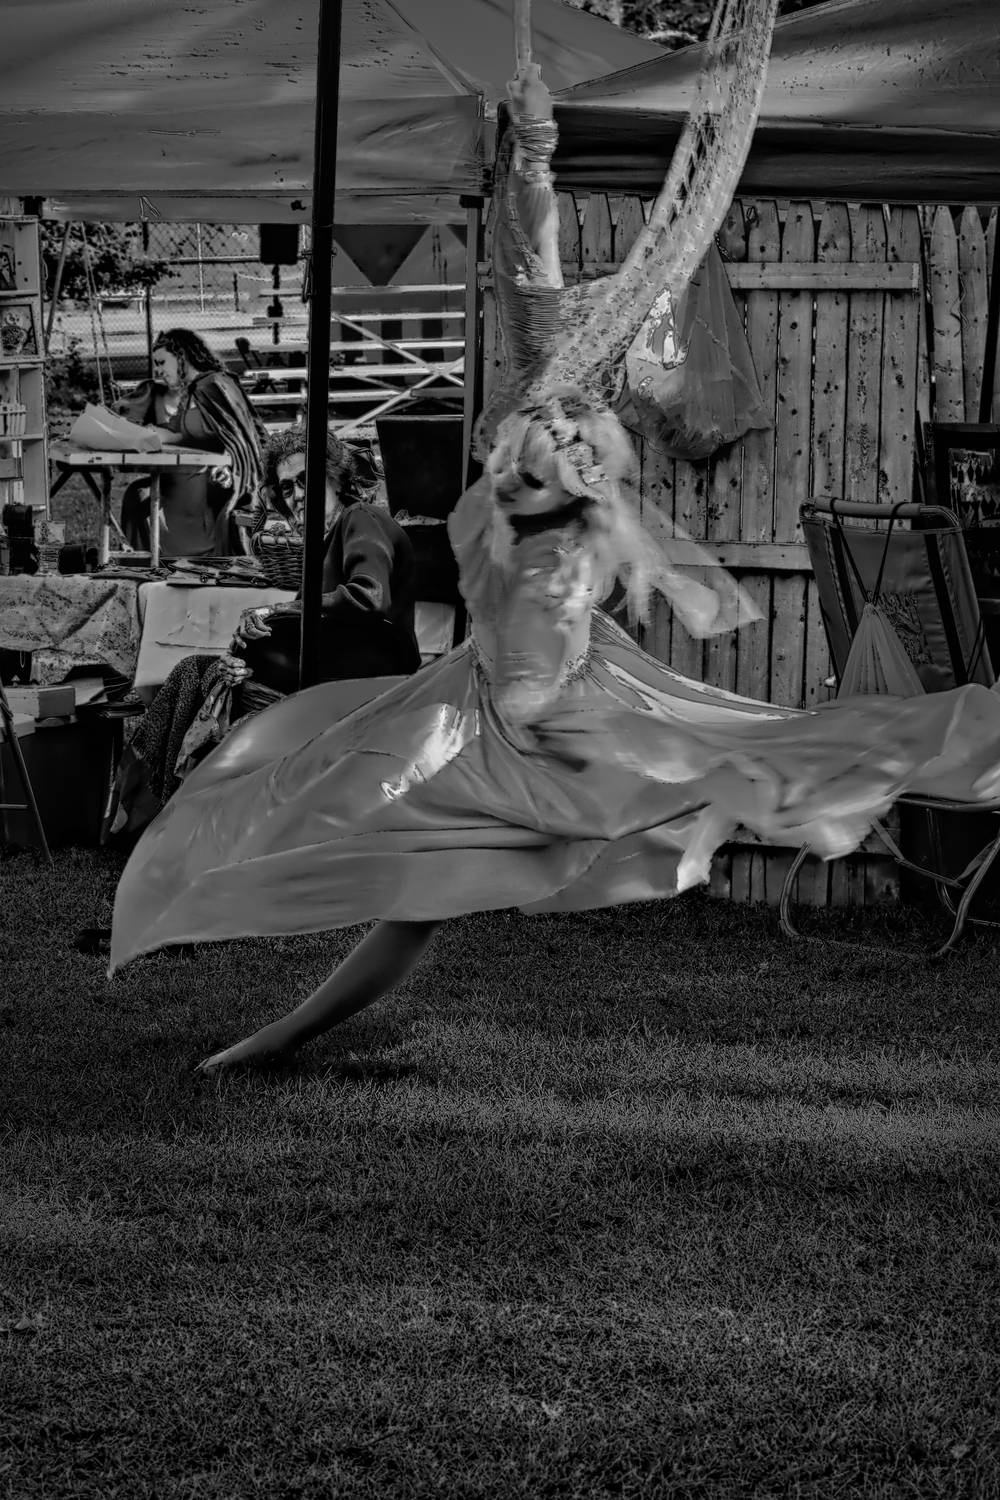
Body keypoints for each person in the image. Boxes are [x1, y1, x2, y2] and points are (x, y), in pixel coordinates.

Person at [109, 66, 1000, 1073]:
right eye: (513, 463)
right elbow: (527, 273)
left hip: (532, 737)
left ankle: (264, 1019)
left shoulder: (564, 515)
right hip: (488, 714)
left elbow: (545, 673)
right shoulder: (551, 422)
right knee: (368, 844)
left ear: (572, 472)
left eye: (532, 472)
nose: (510, 472)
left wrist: (533, 150)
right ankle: (267, 1025)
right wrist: (529, 150)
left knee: (406, 848)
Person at [104, 424, 420, 841]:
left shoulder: (360, 519)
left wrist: (276, 611)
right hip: (334, 674)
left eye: (307, 480)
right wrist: (251, 641)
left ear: (335, 476)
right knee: (195, 673)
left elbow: (368, 596)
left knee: (201, 675)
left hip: (367, 683)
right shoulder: (326, 538)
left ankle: (171, 818)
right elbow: (310, 622)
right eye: (287, 487)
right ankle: (163, 814)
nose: (298, 494)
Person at [120, 328, 265, 558]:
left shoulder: (215, 385)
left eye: (161, 362)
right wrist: (144, 432)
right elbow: (180, 433)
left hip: (211, 489)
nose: (158, 371)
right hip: (185, 481)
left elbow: (243, 439)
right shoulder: (193, 391)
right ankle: (143, 563)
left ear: (182, 357)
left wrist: (227, 465)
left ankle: (160, 561)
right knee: (136, 494)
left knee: (139, 498)